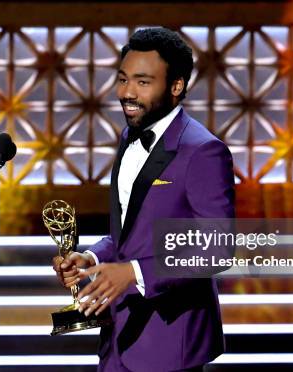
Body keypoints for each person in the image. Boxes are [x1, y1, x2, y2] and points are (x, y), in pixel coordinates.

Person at [52, 27, 235, 371]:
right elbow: (129, 233)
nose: (126, 92)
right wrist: (90, 258)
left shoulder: (203, 152)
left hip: (170, 341)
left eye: (142, 82)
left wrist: (135, 272)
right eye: (122, 79)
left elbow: (217, 247)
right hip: (119, 337)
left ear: (176, 86)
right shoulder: (128, 135)